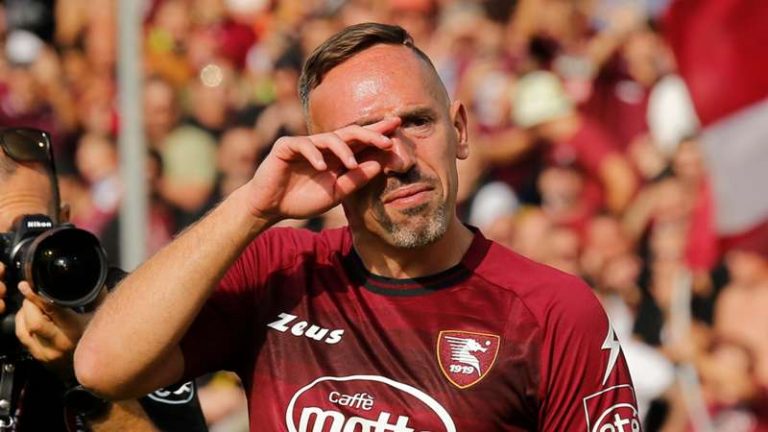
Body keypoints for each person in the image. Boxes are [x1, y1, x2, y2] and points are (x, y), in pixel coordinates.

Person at [76, 23, 639, 430]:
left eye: (417, 123)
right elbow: (103, 366)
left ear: (461, 131)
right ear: (324, 154)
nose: (399, 159)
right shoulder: (279, 270)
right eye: (363, 140)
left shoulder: (554, 311)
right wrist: (251, 207)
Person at [0, 127, 207, 431]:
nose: (16, 257)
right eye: (3, 243)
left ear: (63, 221)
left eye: (29, 235)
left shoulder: (126, 309)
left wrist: (86, 374)